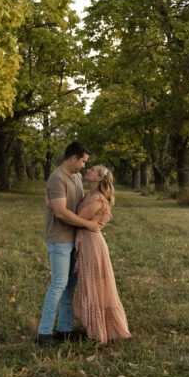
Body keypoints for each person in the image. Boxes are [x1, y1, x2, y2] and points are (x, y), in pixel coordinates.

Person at [53, 165, 131, 345]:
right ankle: (96, 325)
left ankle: (101, 329)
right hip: (86, 243)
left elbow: (78, 217)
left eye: (94, 170)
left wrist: (54, 206)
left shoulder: (97, 198)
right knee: (90, 284)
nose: (88, 170)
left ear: (99, 178)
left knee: (94, 285)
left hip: (93, 245)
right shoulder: (88, 195)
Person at [38, 142, 100, 347]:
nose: (84, 165)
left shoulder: (76, 177)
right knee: (58, 284)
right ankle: (44, 333)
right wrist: (88, 225)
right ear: (73, 157)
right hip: (59, 239)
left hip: (75, 239)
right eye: (83, 161)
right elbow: (61, 212)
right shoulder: (57, 178)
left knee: (69, 286)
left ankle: (65, 330)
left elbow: (79, 205)